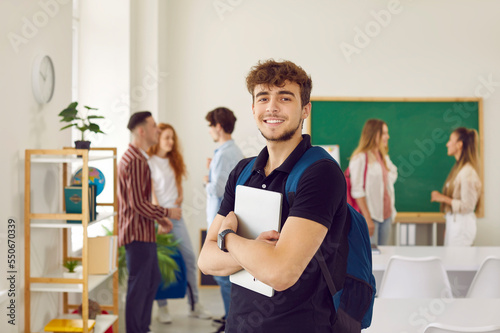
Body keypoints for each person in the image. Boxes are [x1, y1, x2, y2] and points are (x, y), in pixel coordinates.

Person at [198, 59, 349, 332]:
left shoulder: (320, 173)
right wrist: (256, 251)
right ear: (253, 108)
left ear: (305, 109)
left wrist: (228, 238)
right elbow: (206, 261)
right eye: (263, 97)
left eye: (285, 97)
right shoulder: (243, 171)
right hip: (240, 324)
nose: (272, 107)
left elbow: (281, 274)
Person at [118, 111, 181, 333]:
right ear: (142, 130)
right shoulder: (135, 160)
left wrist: (160, 219)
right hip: (137, 235)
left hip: (143, 233)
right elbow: (137, 204)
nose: (158, 130)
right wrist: (168, 212)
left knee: (151, 282)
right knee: (139, 287)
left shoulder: (135, 158)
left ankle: (142, 328)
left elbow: (138, 203)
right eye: (154, 126)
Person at [147, 123, 212, 323]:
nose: (171, 142)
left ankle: (194, 306)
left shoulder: (173, 160)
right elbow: (152, 193)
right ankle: (163, 308)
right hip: (159, 219)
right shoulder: (149, 162)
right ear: (157, 138)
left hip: (176, 218)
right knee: (162, 264)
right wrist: (160, 217)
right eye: (167, 137)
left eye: (172, 138)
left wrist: (180, 196)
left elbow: (176, 183)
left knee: (190, 259)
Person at [203, 107, 244, 331]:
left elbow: (217, 189)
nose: (209, 131)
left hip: (220, 221)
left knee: (222, 275)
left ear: (218, 126)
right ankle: (230, 315)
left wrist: (205, 178)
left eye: (210, 126)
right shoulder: (230, 152)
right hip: (224, 219)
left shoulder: (225, 153)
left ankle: (231, 319)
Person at [348, 119, 398, 246]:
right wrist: (368, 219)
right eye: (384, 133)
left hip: (386, 216)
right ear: (374, 134)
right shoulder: (359, 158)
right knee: (371, 259)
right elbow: (357, 192)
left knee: (384, 255)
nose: (388, 136)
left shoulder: (382, 156)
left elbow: (390, 178)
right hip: (370, 218)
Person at [431, 127, 481, 246]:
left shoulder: (467, 172)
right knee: (452, 262)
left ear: (459, 145)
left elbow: (467, 206)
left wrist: (442, 198)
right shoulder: (459, 169)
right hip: (455, 224)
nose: (447, 144)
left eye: (450, 140)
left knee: (458, 263)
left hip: (462, 226)